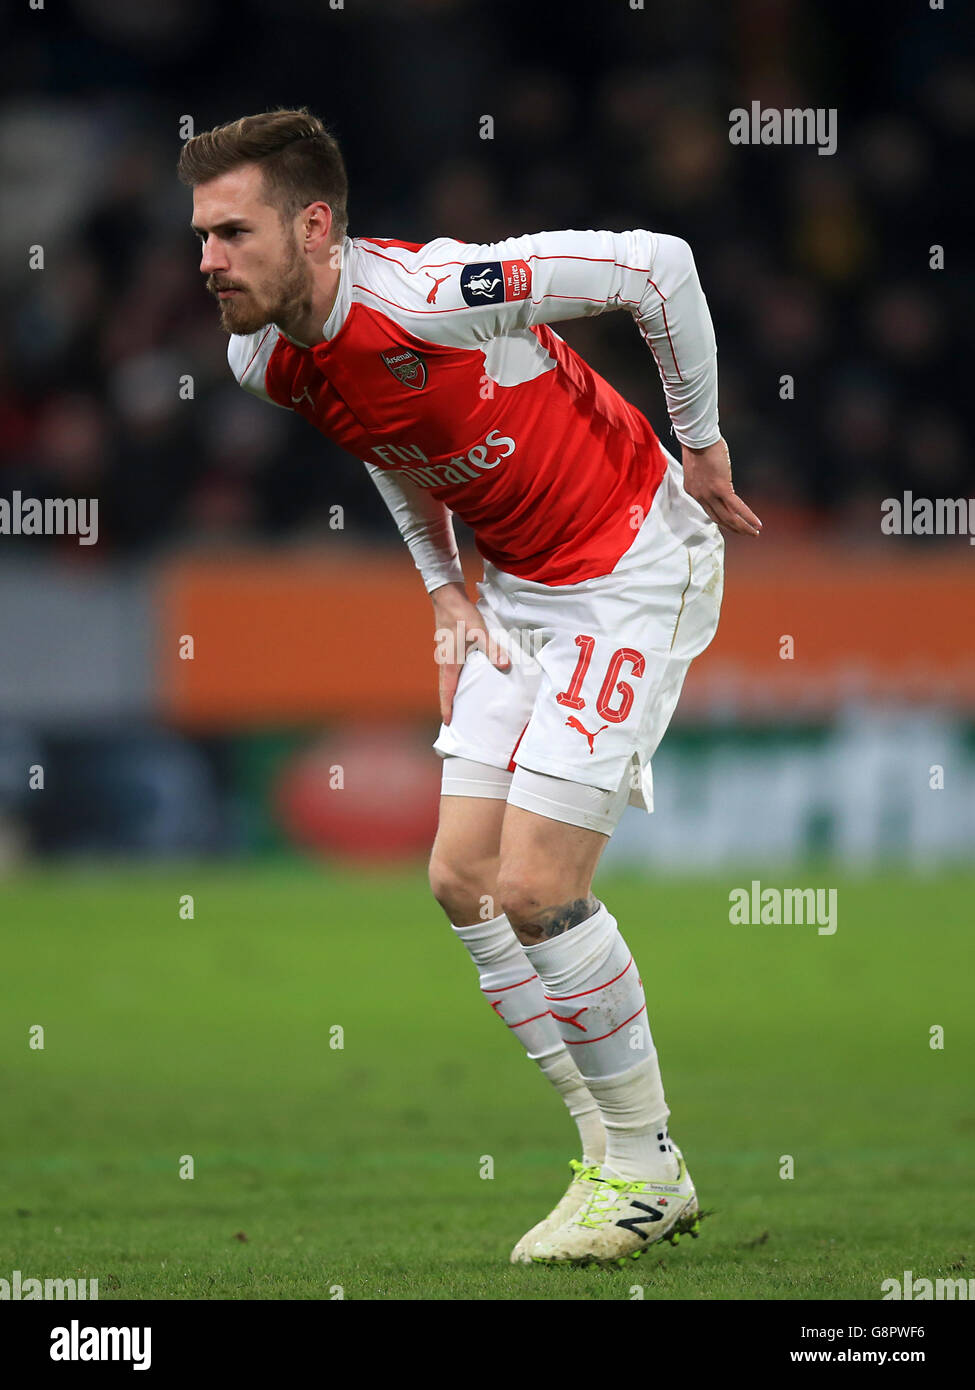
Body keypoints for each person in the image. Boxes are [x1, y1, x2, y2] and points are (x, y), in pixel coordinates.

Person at [178, 106, 762, 1267]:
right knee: (461, 880)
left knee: (537, 883)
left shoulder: (443, 293)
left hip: (634, 564)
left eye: (232, 233)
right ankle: (619, 1152)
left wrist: (700, 441)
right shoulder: (264, 357)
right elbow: (390, 443)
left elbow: (661, 268)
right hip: (517, 593)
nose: (206, 261)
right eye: (198, 235)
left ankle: (641, 1171)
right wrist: (443, 584)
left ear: (314, 226)